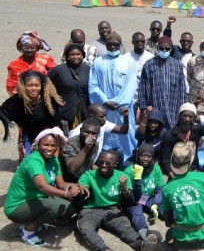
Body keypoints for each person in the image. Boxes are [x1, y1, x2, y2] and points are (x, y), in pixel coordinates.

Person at [76, 150, 158, 251]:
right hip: (90, 210)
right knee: (87, 229)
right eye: (101, 162)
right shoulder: (89, 175)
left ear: (115, 164)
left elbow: (130, 200)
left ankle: (141, 246)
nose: (103, 165)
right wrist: (82, 187)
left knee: (125, 228)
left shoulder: (121, 176)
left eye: (108, 163)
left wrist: (124, 187)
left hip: (112, 210)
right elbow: (83, 183)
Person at [4, 128, 84, 245]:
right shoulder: (34, 160)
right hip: (17, 206)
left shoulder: (53, 160)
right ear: (38, 145)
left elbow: (61, 184)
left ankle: (37, 221)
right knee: (56, 207)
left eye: (53, 145)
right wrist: (66, 194)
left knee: (69, 209)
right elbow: (42, 186)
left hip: (36, 199)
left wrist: (79, 185)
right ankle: (28, 230)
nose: (49, 148)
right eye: (45, 145)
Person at [88, 31, 138, 161]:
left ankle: (127, 160)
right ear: (105, 45)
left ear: (120, 45)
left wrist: (118, 103)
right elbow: (93, 85)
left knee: (126, 136)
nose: (112, 47)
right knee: (106, 136)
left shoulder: (129, 62)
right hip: (105, 110)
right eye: (109, 44)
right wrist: (105, 101)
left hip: (123, 110)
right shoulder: (98, 62)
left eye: (116, 44)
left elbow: (131, 85)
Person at [1, 71, 63, 157]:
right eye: (29, 85)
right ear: (24, 86)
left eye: (37, 85)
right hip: (27, 135)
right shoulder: (18, 100)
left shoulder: (49, 100)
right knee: (28, 160)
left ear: (41, 86)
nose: (33, 88)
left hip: (47, 135)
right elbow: (3, 110)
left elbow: (56, 121)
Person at [159, 103, 204, 178]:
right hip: (174, 170)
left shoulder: (197, 129)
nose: (187, 119)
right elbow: (165, 158)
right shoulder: (170, 135)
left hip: (192, 169)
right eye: (185, 116)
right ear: (179, 116)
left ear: (194, 118)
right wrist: (172, 175)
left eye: (190, 116)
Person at [139, 36, 187, 129]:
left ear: (171, 49)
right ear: (157, 48)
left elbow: (182, 89)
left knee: (172, 133)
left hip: (173, 107)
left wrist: (182, 108)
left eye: (167, 48)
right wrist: (143, 108)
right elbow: (142, 88)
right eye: (162, 48)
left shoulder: (177, 65)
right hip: (154, 106)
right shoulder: (149, 64)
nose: (164, 50)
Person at [123, 142, 165, 240]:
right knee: (137, 214)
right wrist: (137, 179)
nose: (146, 159)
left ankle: (180, 225)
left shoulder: (156, 168)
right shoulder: (129, 171)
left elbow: (160, 189)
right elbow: (135, 197)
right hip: (132, 199)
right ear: (138, 155)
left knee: (164, 207)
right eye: (143, 156)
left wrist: (155, 204)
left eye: (149, 156)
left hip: (146, 197)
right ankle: (146, 234)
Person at [49, 43, 90, 131]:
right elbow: (48, 87)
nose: (75, 57)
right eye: (72, 54)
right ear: (67, 56)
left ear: (83, 55)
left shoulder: (88, 69)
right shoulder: (58, 70)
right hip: (65, 112)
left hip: (84, 112)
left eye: (78, 54)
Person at [6, 31, 56, 95]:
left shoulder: (46, 59)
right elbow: (11, 85)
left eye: (32, 48)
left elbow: (55, 74)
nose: (29, 50)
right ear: (21, 48)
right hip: (23, 97)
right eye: (26, 47)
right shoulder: (14, 65)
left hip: (44, 95)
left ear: (37, 49)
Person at [60, 118, 103, 183]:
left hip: (84, 179)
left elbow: (89, 164)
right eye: (87, 132)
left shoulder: (95, 144)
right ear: (81, 130)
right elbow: (72, 169)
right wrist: (87, 147)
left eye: (94, 133)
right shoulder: (70, 144)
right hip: (67, 181)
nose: (90, 136)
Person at [124, 32, 154, 107]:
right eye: (137, 42)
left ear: (145, 42)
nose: (140, 43)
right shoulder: (126, 57)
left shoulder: (151, 57)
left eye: (142, 41)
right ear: (132, 42)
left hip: (147, 94)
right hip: (131, 95)